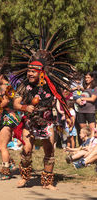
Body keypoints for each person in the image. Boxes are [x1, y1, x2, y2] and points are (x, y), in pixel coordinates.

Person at [12, 28, 76, 189]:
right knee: (26, 150)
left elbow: (62, 99)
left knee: (49, 151)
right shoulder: (24, 85)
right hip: (29, 121)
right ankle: (25, 178)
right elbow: (16, 104)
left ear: (41, 72)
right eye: (28, 71)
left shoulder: (51, 85)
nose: (29, 74)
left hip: (47, 121)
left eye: (32, 71)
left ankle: (47, 182)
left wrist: (68, 115)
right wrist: (25, 107)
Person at [76, 72, 97, 138]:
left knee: (92, 130)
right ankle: (85, 145)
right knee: (83, 130)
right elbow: (79, 97)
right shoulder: (84, 88)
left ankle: (92, 145)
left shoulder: (95, 88)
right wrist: (78, 100)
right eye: (85, 78)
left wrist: (82, 98)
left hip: (90, 111)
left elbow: (93, 99)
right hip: (81, 110)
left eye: (88, 78)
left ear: (92, 78)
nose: (86, 79)